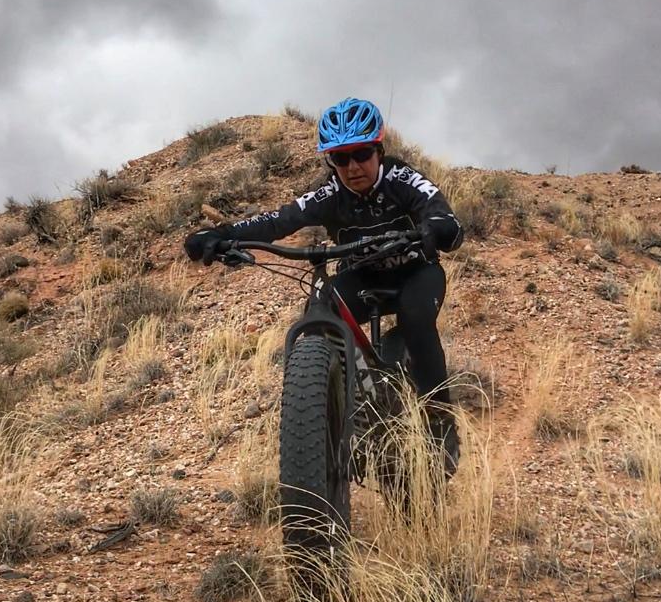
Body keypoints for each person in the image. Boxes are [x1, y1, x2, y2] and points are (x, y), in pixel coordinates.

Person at [183, 97, 464, 475]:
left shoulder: (403, 179)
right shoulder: (330, 193)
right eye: (340, 158)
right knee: (319, 315)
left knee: (416, 318)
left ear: (378, 150)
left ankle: (438, 421)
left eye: (361, 153)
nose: (352, 167)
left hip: (415, 273)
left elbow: (443, 214)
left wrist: (438, 228)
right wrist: (222, 235)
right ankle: (330, 411)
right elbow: (279, 219)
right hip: (362, 275)